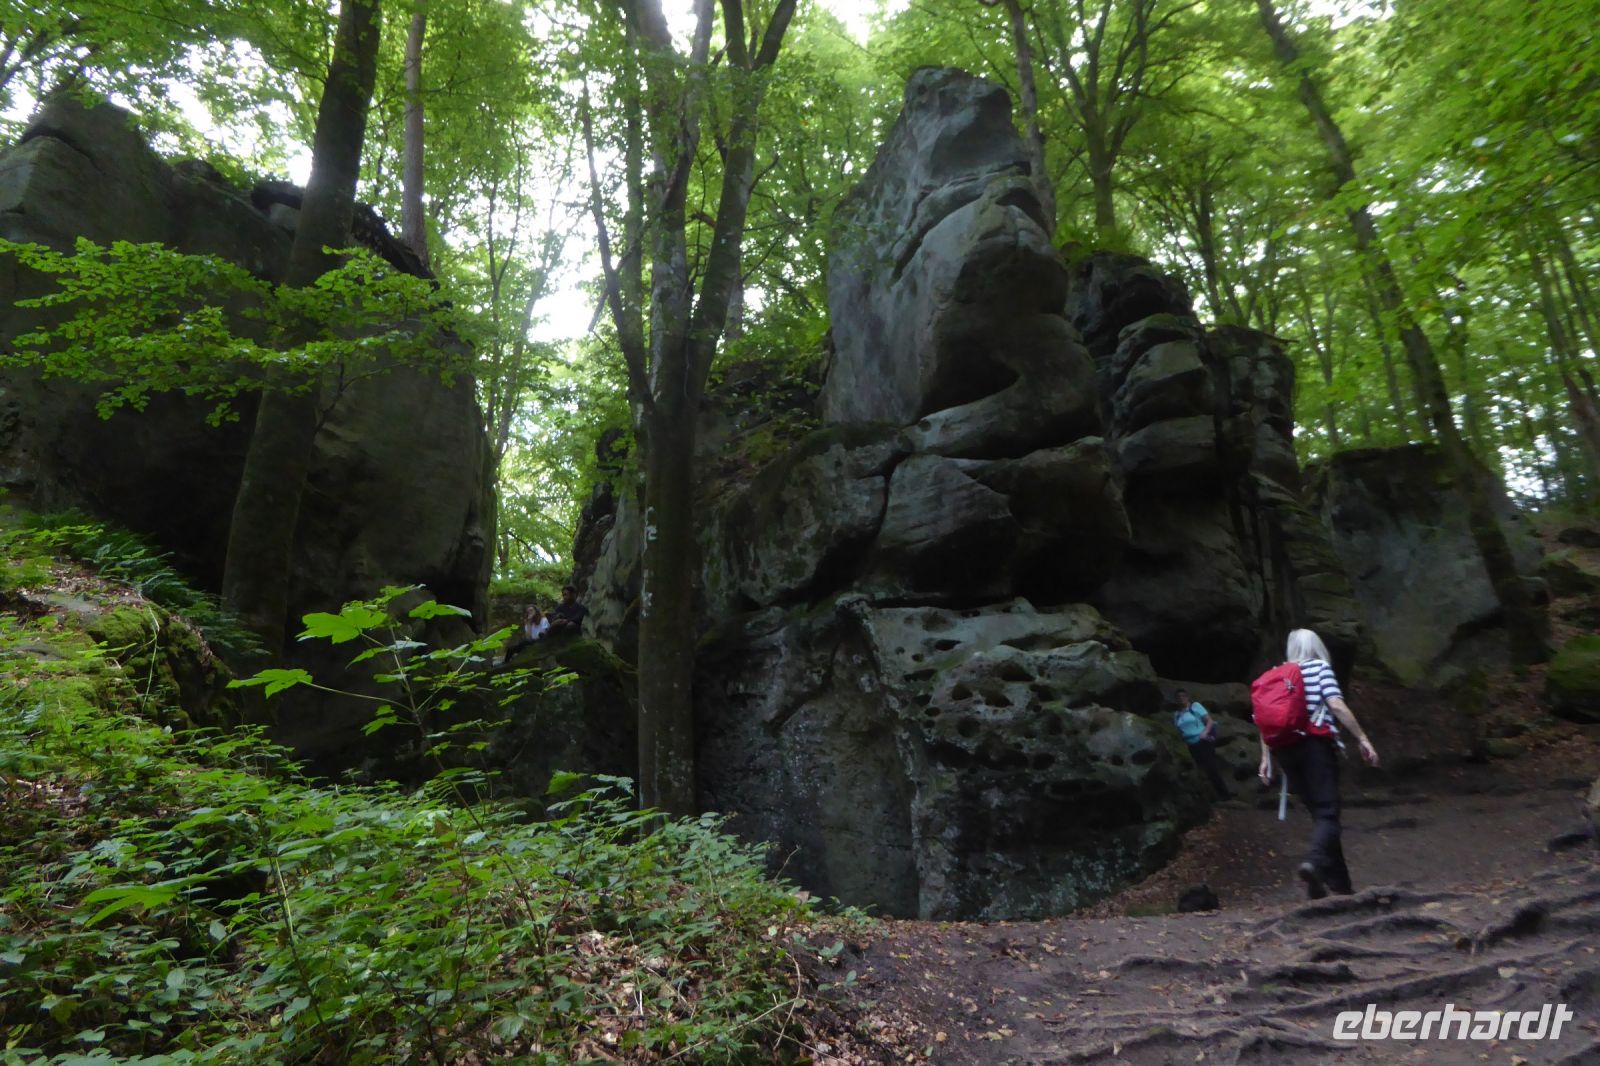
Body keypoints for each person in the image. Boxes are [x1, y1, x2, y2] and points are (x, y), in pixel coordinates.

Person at [1257, 628, 1380, 899]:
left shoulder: (1277, 674)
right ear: (1317, 646)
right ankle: (1314, 863)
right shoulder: (1319, 668)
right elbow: (1336, 705)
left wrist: (1266, 758)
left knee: (1321, 815)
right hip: (1314, 746)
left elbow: (1264, 719)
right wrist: (1362, 738)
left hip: (1285, 750)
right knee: (1328, 813)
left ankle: (1338, 884)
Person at [1173, 689, 1233, 800]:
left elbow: (1209, 721)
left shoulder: (1195, 707)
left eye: (1183, 696)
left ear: (1187, 697)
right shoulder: (1177, 715)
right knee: (1199, 771)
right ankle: (1208, 798)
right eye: (1178, 697)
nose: (1181, 698)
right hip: (1190, 745)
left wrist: (1204, 733)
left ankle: (1225, 796)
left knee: (1211, 769)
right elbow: (1179, 731)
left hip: (1203, 741)